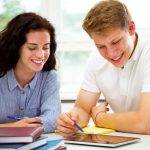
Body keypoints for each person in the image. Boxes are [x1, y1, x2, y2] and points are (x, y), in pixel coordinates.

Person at [57, 0, 150, 136]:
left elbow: (146, 123)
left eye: (115, 42)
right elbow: (82, 108)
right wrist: (70, 121)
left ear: (131, 28)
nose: (111, 53)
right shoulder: (96, 59)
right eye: (101, 46)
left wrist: (100, 118)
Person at [0, 12, 61, 133]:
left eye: (45, 47)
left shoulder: (49, 77)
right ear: (16, 47)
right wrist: (13, 127)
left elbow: (53, 119)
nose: (41, 55)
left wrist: (25, 127)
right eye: (32, 47)